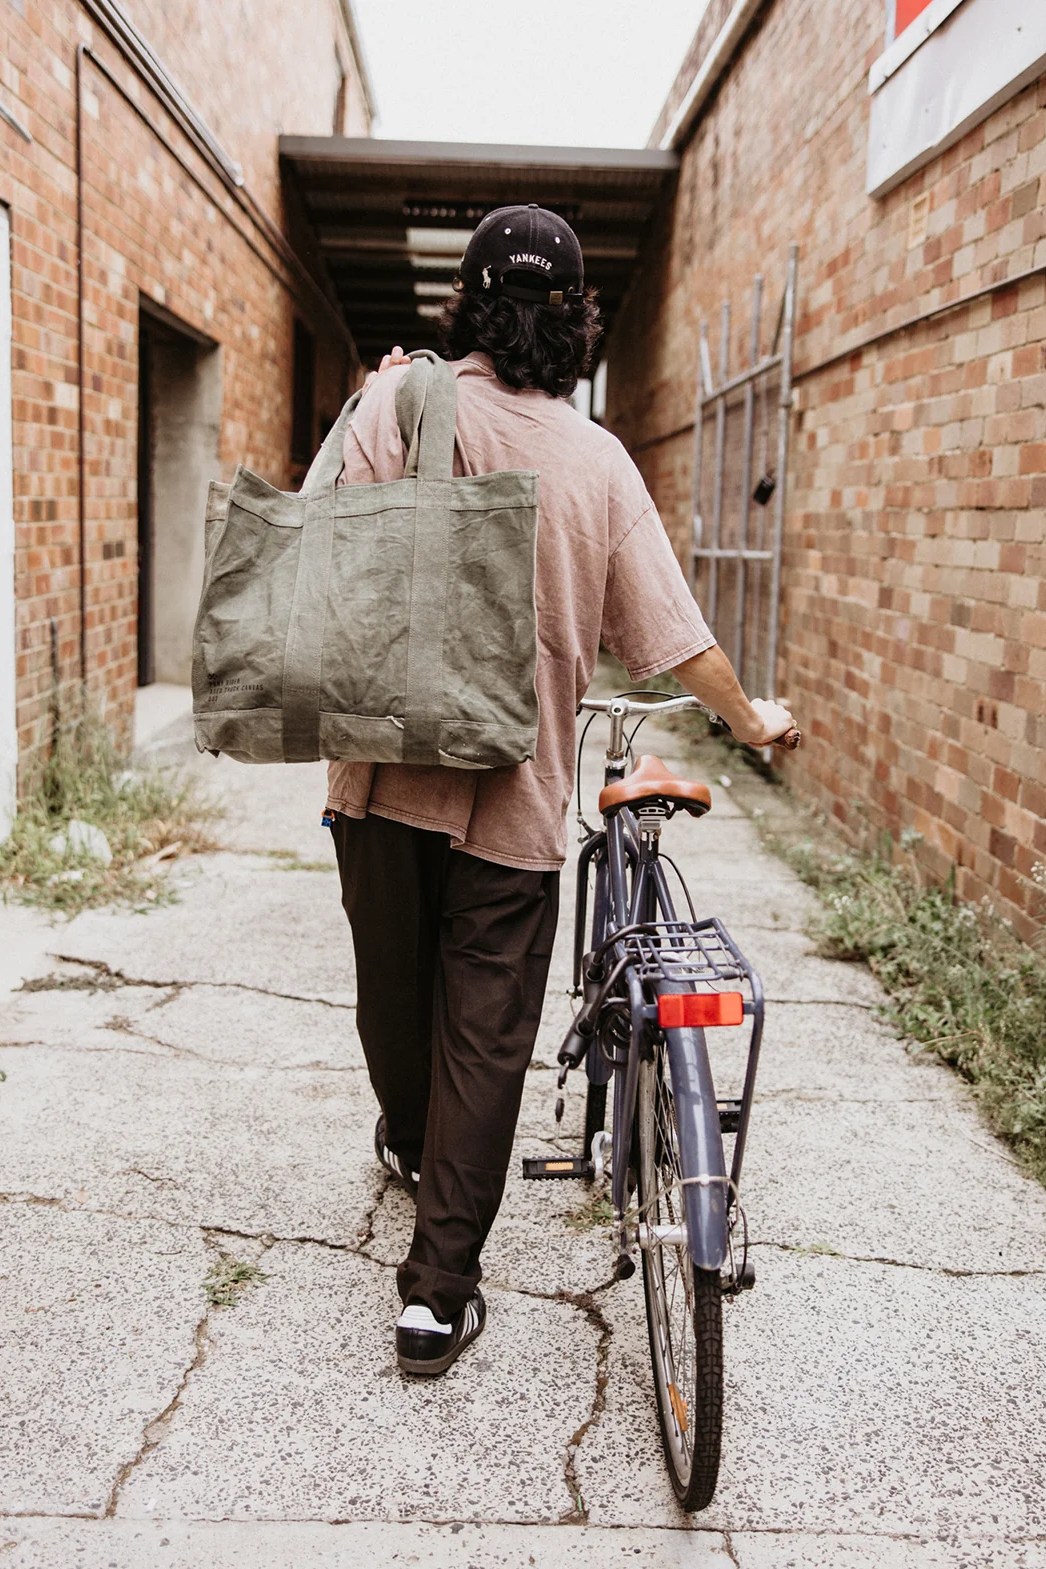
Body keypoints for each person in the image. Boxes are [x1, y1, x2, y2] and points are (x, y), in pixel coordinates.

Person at [325, 205, 795, 1378]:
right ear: (575, 325)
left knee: (394, 1005)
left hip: (378, 780)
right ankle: (436, 1299)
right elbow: (673, 637)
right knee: (484, 1041)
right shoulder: (596, 460)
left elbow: (319, 545)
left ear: (468, 307)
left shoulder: (400, 401)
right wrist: (751, 721)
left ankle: (407, 1137)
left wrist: (370, 402)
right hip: (514, 801)